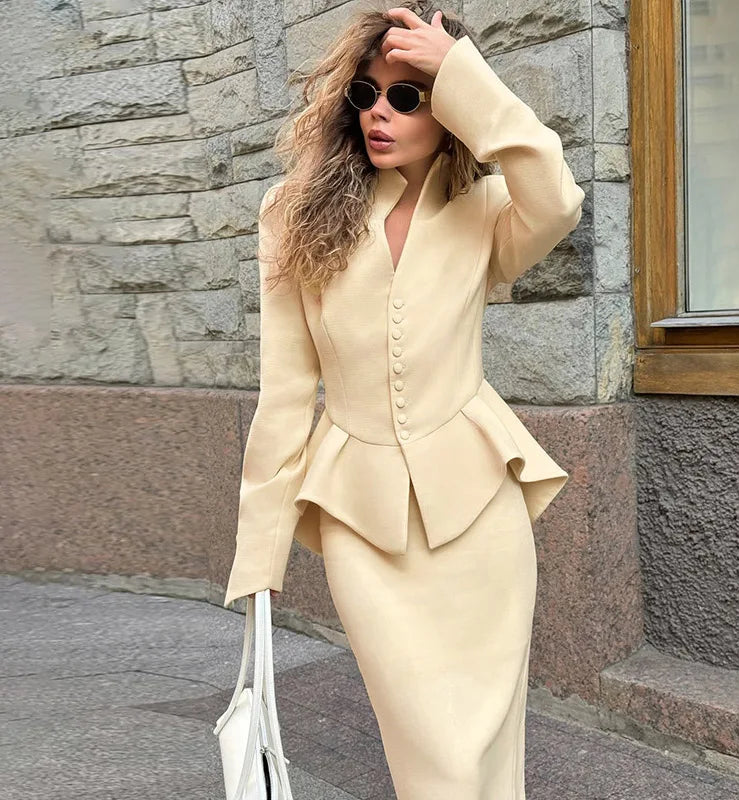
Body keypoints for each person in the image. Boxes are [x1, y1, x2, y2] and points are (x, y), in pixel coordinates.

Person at [224, 1, 585, 797]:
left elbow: (557, 195)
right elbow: (285, 392)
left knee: (487, 754)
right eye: (365, 95)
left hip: (481, 514)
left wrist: (457, 68)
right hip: (363, 525)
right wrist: (261, 555)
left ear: (448, 110)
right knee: (434, 757)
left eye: (407, 96)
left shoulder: (492, 211)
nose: (379, 114)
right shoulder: (290, 215)